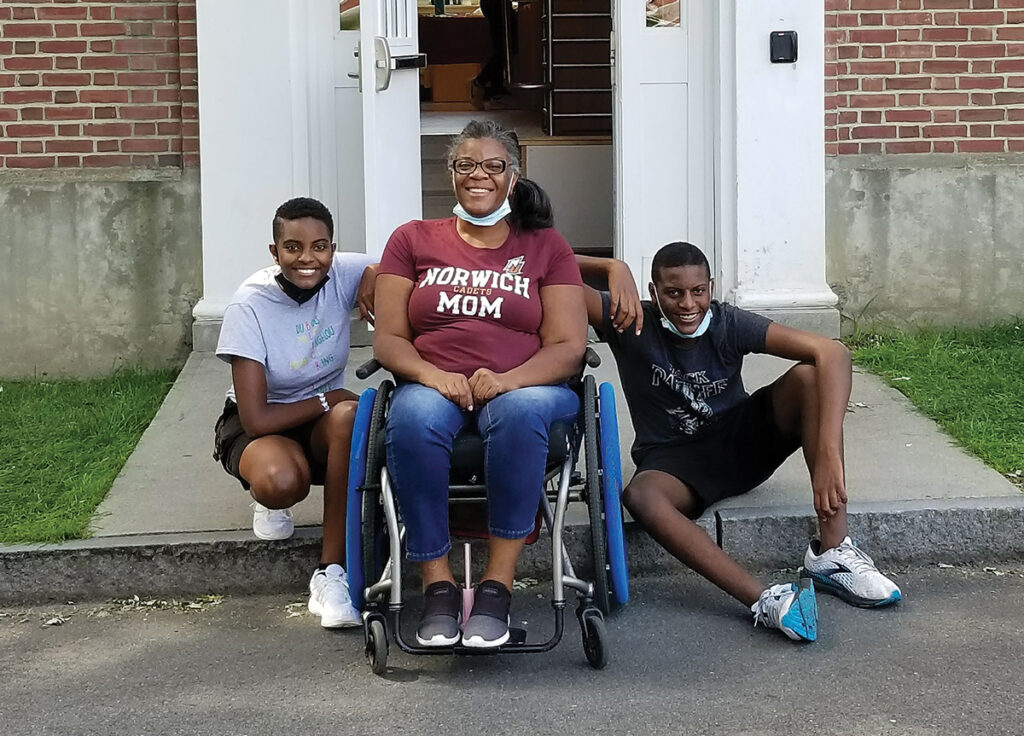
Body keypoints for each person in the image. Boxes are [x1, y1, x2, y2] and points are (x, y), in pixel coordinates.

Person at [582, 241, 902, 642]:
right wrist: (611, 267)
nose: (688, 304)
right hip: (675, 462)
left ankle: (832, 553)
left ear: (711, 288)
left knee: (808, 377)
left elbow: (833, 353)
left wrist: (827, 456)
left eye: (698, 291)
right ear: (653, 292)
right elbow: (545, 269)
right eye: (674, 293)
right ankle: (765, 600)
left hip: (740, 444)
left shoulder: (727, 322)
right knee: (641, 496)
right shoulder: (629, 319)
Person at [373, 120, 588, 649]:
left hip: (525, 385)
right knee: (413, 417)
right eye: (466, 164)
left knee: (519, 413)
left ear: (513, 175)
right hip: (433, 383)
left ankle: (497, 587)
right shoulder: (411, 239)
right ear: (450, 172)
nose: (479, 176)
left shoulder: (546, 246)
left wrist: (507, 380)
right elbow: (390, 341)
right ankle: (438, 587)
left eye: (493, 166)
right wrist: (434, 376)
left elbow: (567, 346)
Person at [213, 197, 377, 629]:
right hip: (262, 423)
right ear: (275, 252)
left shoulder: (343, 271)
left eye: (320, 247)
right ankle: (266, 498)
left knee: (349, 417)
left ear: (333, 249)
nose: (308, 258)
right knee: (281, 482)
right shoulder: (249, 305)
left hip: (322, 424)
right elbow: (256, 419)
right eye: (293, 247)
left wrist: (375, 276)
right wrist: (328, 397)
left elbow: (411, 259)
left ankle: (331, 573)